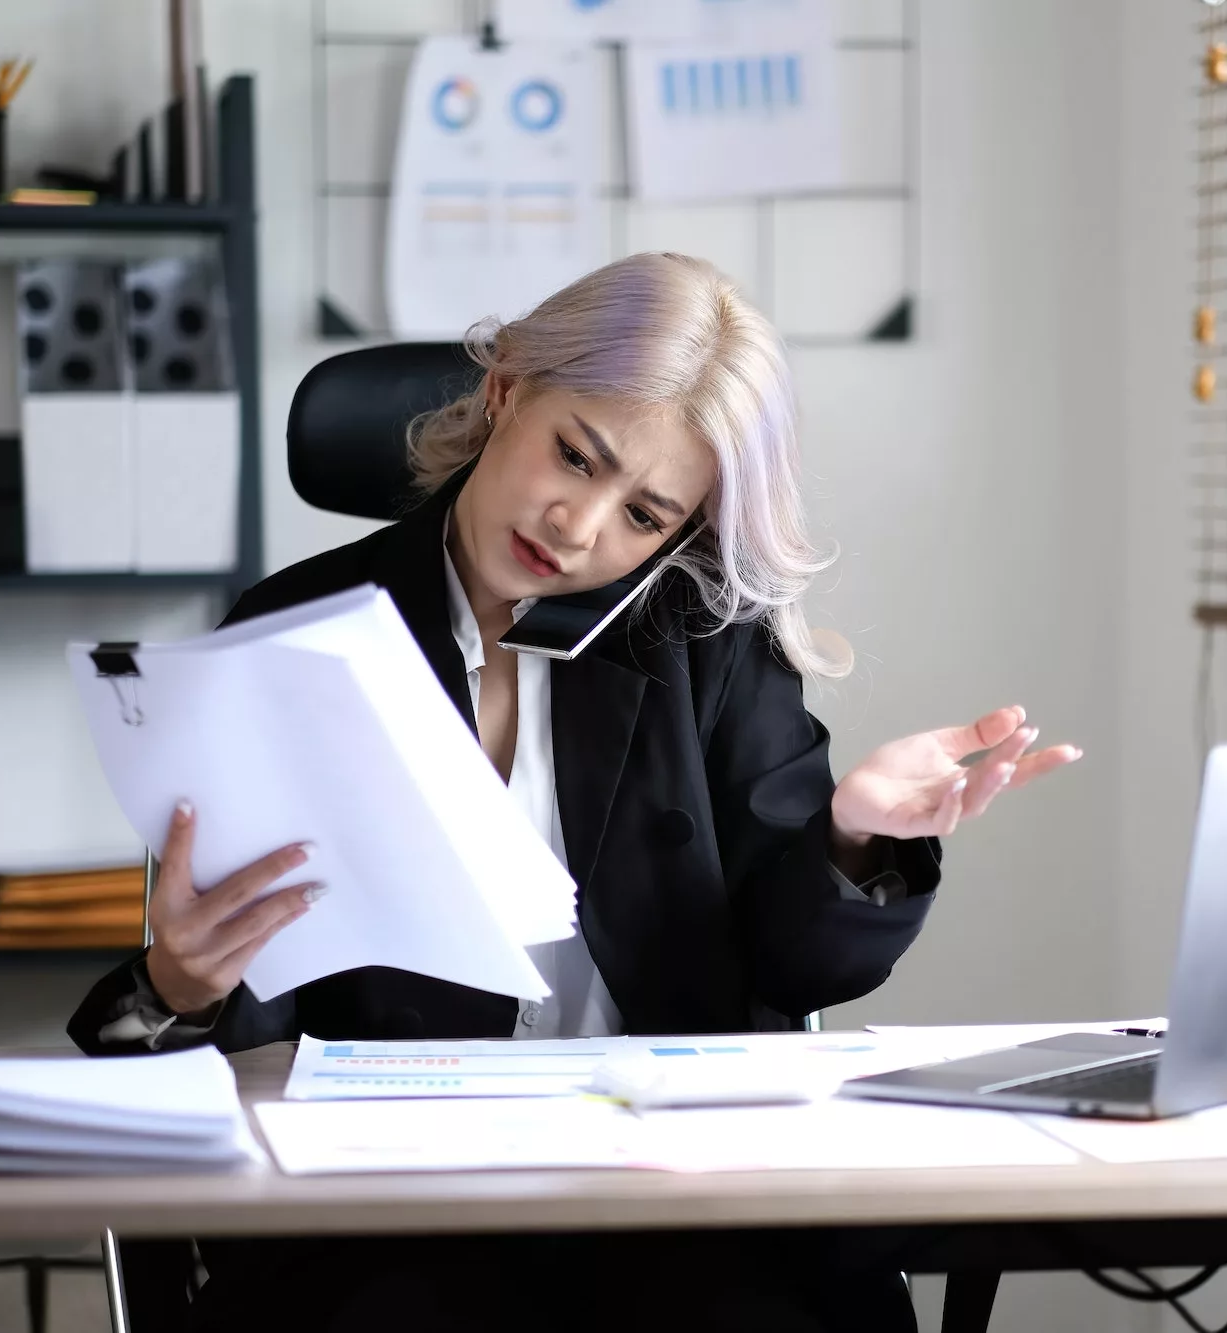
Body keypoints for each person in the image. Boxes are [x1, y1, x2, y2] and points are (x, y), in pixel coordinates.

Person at [68, 252, 1078, 1331]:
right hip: (400, 1213)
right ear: (505, 389)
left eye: (644, 515)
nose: (579, 527)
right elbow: (244, 1037)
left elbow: (795, 967)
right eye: (573, 456)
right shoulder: (297, 634)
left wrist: (851, 843)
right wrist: (181, 984)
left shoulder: (706, 643)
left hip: (677, 1202)